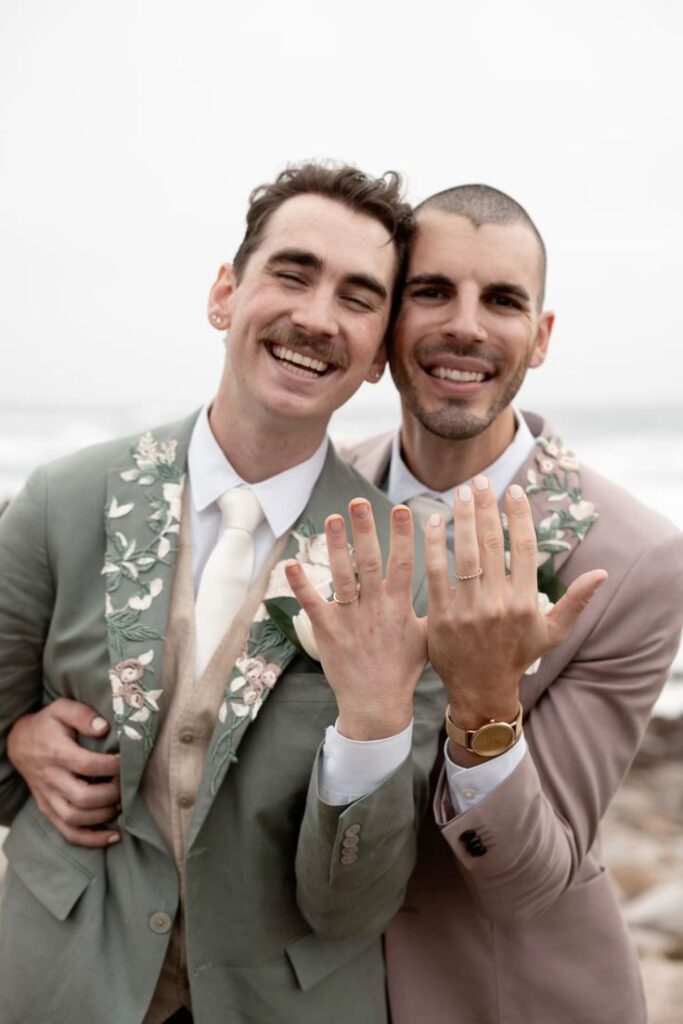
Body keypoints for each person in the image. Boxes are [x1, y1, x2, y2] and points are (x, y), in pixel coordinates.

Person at [0, 163, 452, 1024]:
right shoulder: (61, 502)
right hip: (58, 983)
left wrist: (371, 723)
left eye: (357, 299)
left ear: (375, 356)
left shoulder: (405, 571)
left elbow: (353, 905)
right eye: (291, 273)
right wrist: (20, 737)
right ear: (223, 294)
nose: (315, 318)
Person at [343, 184, 683, 1024]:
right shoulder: (313, 501)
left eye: (501, 299)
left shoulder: (633, 559)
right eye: (431, 291)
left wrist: (487, 702)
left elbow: (533, 879)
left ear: (539, 337)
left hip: (502, 998)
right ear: (385, 322)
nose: (465, 324)